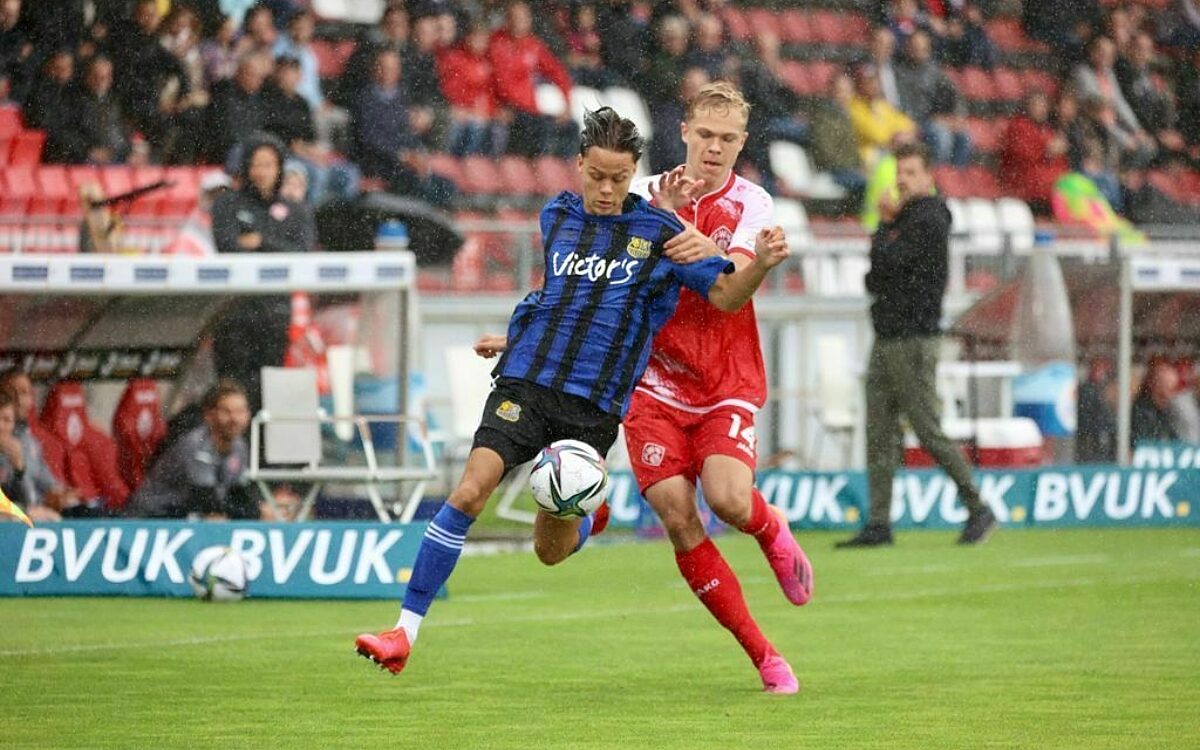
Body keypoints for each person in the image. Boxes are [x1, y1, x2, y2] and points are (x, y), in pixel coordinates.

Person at [354, 106, 790, 681]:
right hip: (526, 385)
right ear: (579, 164)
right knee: (469, 491)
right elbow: (557, 293)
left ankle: (588, 517)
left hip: (591, 409)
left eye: (619, 178)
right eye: (596, 176)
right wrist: (514, 337)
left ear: (634, 172)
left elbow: (728, 297)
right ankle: (403, 633)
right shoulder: (556, 215)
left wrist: (756, 262)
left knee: (549, 551)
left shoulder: (661, 235)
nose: (606, 190)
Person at [621, 81, 813, 694]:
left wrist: (748, 261)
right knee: (679, 517)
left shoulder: (753, 204)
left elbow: (727, 289)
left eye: (728, 139)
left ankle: (770, 530)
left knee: (729, 500)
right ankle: (764, 656)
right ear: (683, 131)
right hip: (653, 383)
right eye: (705, 134)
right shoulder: (643, 196)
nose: (714, 147)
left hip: (724, 378)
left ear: (743, 143)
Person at [839, 142, 997, 548]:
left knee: (926, 427)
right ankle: (878, 522)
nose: (902, 180)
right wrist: (886, 231)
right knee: (879, 431)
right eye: (899, 173)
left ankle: (978, 507)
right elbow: (876, 278)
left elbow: (887, 266)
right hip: (888, 335)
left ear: (928, 177)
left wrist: (885, 230)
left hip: (913, 338)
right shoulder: (903, 220)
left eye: (910, 172)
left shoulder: (929, 217)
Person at [210, 134, 316, 415]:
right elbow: (228, 246)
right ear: (245, 167)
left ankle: (266, 458)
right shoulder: (227, 204)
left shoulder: (296, 211)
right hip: (235, 314)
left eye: (269, 164)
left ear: (280, 168)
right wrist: (274, 250)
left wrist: (260, 242)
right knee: (233, 392)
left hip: (274, 314)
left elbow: (302, 253)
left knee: (269, 395)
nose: (262, 172)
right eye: (256, 164)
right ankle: (235, 455)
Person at [127, 380, 258, 519]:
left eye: (240, 411)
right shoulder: (194, 444)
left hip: (182, 516)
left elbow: (237, 494)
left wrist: (261, 510)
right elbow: (206, 500)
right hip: (150, 519)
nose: (235, 419)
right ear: (209, 415)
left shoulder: (239, 446)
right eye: (227, 412)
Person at [1130, 358, 1180, 445]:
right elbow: (1143, 445)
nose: (1173, 394)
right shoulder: (1141, 411)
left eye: (1174, 388)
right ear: (1154, 385)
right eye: (1169, 388)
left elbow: (1175, 441)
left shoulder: (1166, 411)